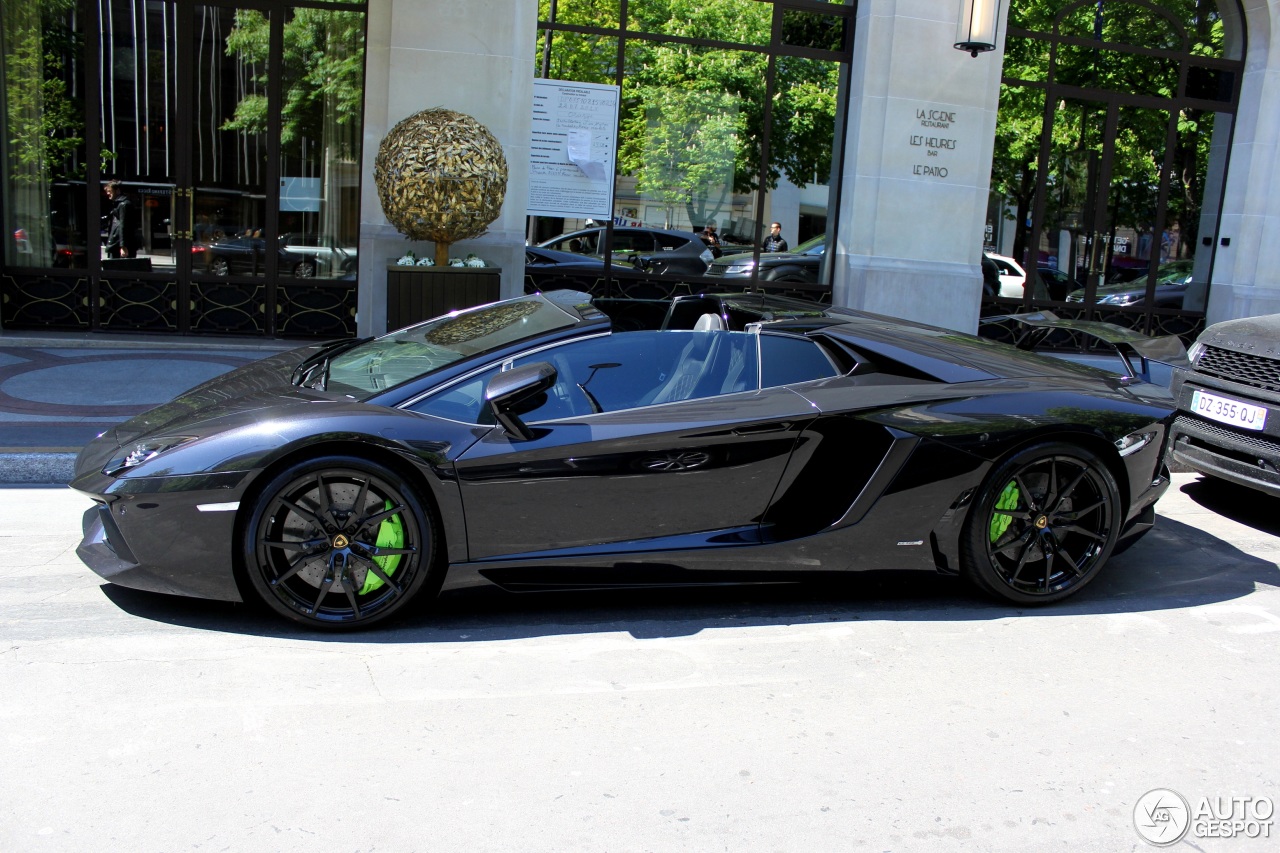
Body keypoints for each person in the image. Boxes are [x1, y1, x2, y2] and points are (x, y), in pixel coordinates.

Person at [103, 180, 142, 258]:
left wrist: (123, 246)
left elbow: (123, 225)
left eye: (110, 191)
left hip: (119, 244)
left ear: (117, 191)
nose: (108, 193)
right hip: (117, 243)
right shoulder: (119, 204)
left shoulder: (123, 205)